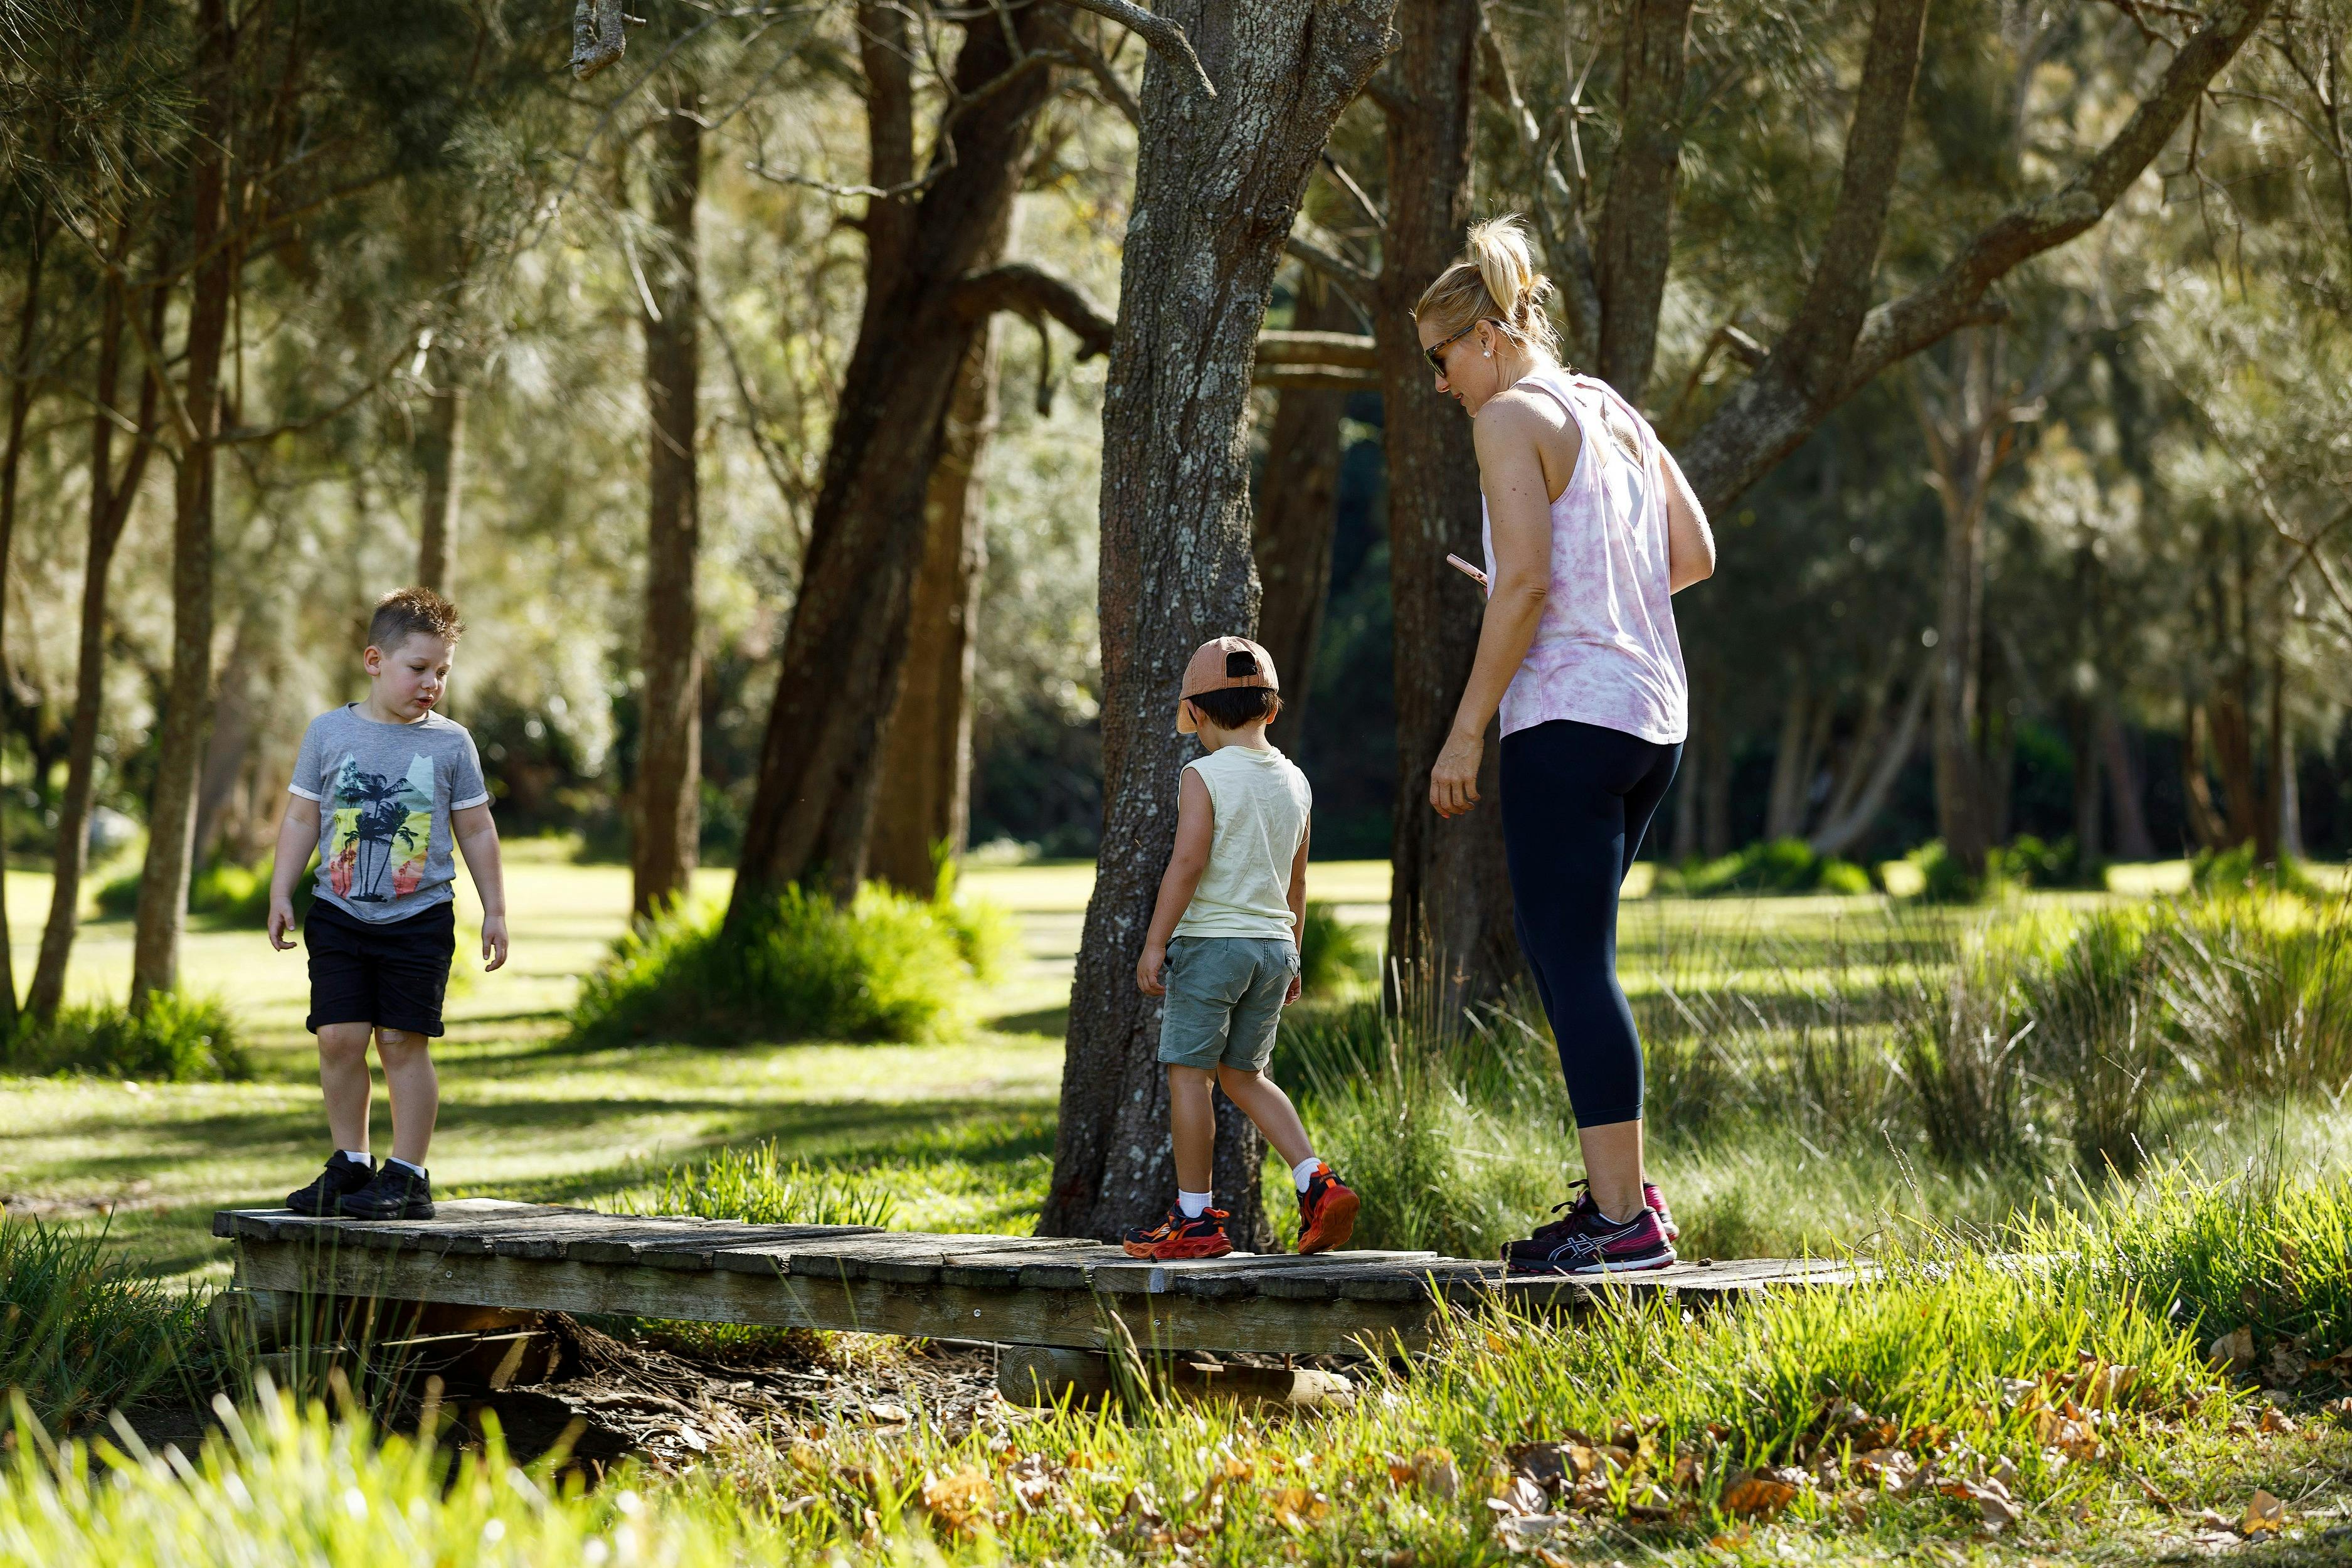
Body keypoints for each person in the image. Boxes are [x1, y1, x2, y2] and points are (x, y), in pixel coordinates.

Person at [1415, 216, 1717, 1276]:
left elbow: (1531, 586)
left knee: (1574, 964)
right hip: (1650, 721)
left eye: (1441, 359)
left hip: (1568, 721)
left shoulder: (1509, 416)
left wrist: (1464, 734)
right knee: (1573, 960)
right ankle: (1622, 1200)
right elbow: (1691, 552)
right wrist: (1570, 596)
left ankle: (1623, 1222)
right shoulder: (1607, 407)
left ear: (1487, 337)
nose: (1440, 383)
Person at [266, 587, 509, 1221]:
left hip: (419, 919)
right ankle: (351, 1162)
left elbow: (477, 829)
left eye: (442, 672)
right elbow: (301, 817)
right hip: (338, 913)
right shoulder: (329, 732)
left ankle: (408, 1174)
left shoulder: (451, 744)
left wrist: (495, 909)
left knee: (402, 1041)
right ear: (375, 661)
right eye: (419, 668)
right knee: (338, 1038)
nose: (432, 684)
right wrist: (281, 890)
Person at [1122, 636, 1360, 1261]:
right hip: (1274, 948)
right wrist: (1295, 954)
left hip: (1212, 947)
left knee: (1190, 1076)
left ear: (1196, 713)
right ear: (1272, 709)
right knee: (1245, 1075)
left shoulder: (1202, 774)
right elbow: (1297, 882)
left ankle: (1194, 1219)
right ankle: (1316, 1180)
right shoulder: (1296, 780)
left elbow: (1188, 862)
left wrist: (1155, 943)